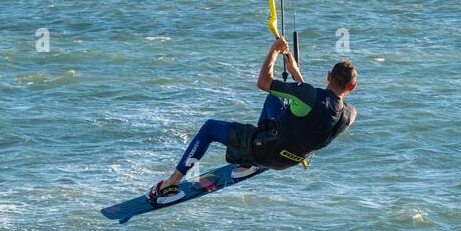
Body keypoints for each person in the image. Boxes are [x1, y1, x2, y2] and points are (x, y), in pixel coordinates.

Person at [148, 38, 357, 204]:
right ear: (352, 87)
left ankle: (170, 185)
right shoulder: (349, 116)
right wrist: (294, 71)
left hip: (264, 150)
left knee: (210, 128)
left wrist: (274, 51)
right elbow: (313, 109)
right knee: (274, 98)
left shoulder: (309, 94)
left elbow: (263, 82)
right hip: (290, 159)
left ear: (328, 76)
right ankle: (247, 165)